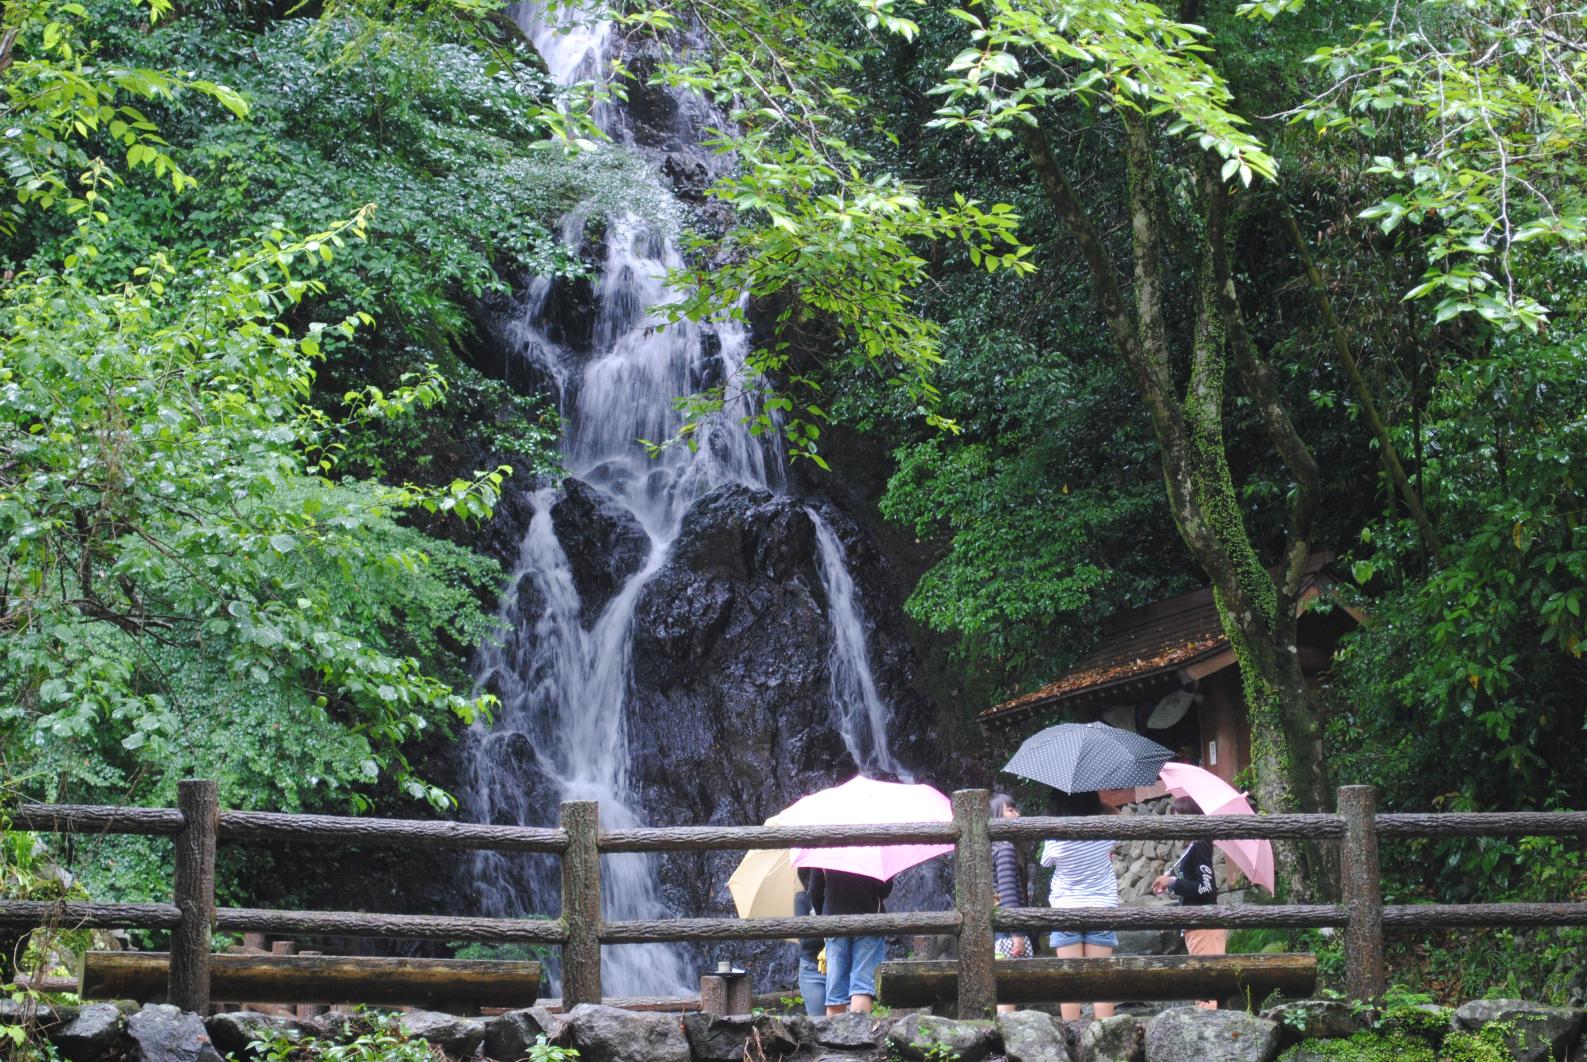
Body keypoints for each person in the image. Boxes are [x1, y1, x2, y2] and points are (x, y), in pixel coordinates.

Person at [1040, 788, 1119, 1021]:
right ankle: (1106, 1037)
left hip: (1066, 909)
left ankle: (1070, 1038)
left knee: (1070, 979)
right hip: (1102, 907)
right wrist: (1104, 807)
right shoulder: (1104, 830)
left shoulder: (1057, 833)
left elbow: (1045, 862)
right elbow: (1120, 819)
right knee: (1101, 979)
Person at [1151, 795, 1222, 1009]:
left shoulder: (1199, 846)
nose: (1176, 824)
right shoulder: (1193, 847)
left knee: (1206, 983)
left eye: (1179, 818)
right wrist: (1170, 884)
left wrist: (1173, 882)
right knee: (1204, 982)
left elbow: (1206, 887)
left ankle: (1210, 1030)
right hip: (1196, 922)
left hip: (1203, 922)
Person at [807, 867, 890, 1014]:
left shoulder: (823, 846)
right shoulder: (872, 845)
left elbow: (814, 889)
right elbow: (884, 889)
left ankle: (832, 1036)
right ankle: (859, 1035)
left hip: (833, 919)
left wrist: (824, 915)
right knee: (862, 986)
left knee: (836, 987)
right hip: (869, 918)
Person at [989, 792, 1031, 1014]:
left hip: (1000, 928)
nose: (1018, 813)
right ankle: (1005, 1036)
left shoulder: (993, 847)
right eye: (1011, 809)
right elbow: (1007, 892)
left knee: (1005, 985)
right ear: (997, 815)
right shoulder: (1005, 848)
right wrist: (1017, 935)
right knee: (1008, 987)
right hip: (1007, 930)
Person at [793, 868, 826, 1016]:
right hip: (812, 969)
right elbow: (805, 940)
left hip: (840, 966)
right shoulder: (802, 899)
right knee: (818, 1023)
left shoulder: (838, 898)